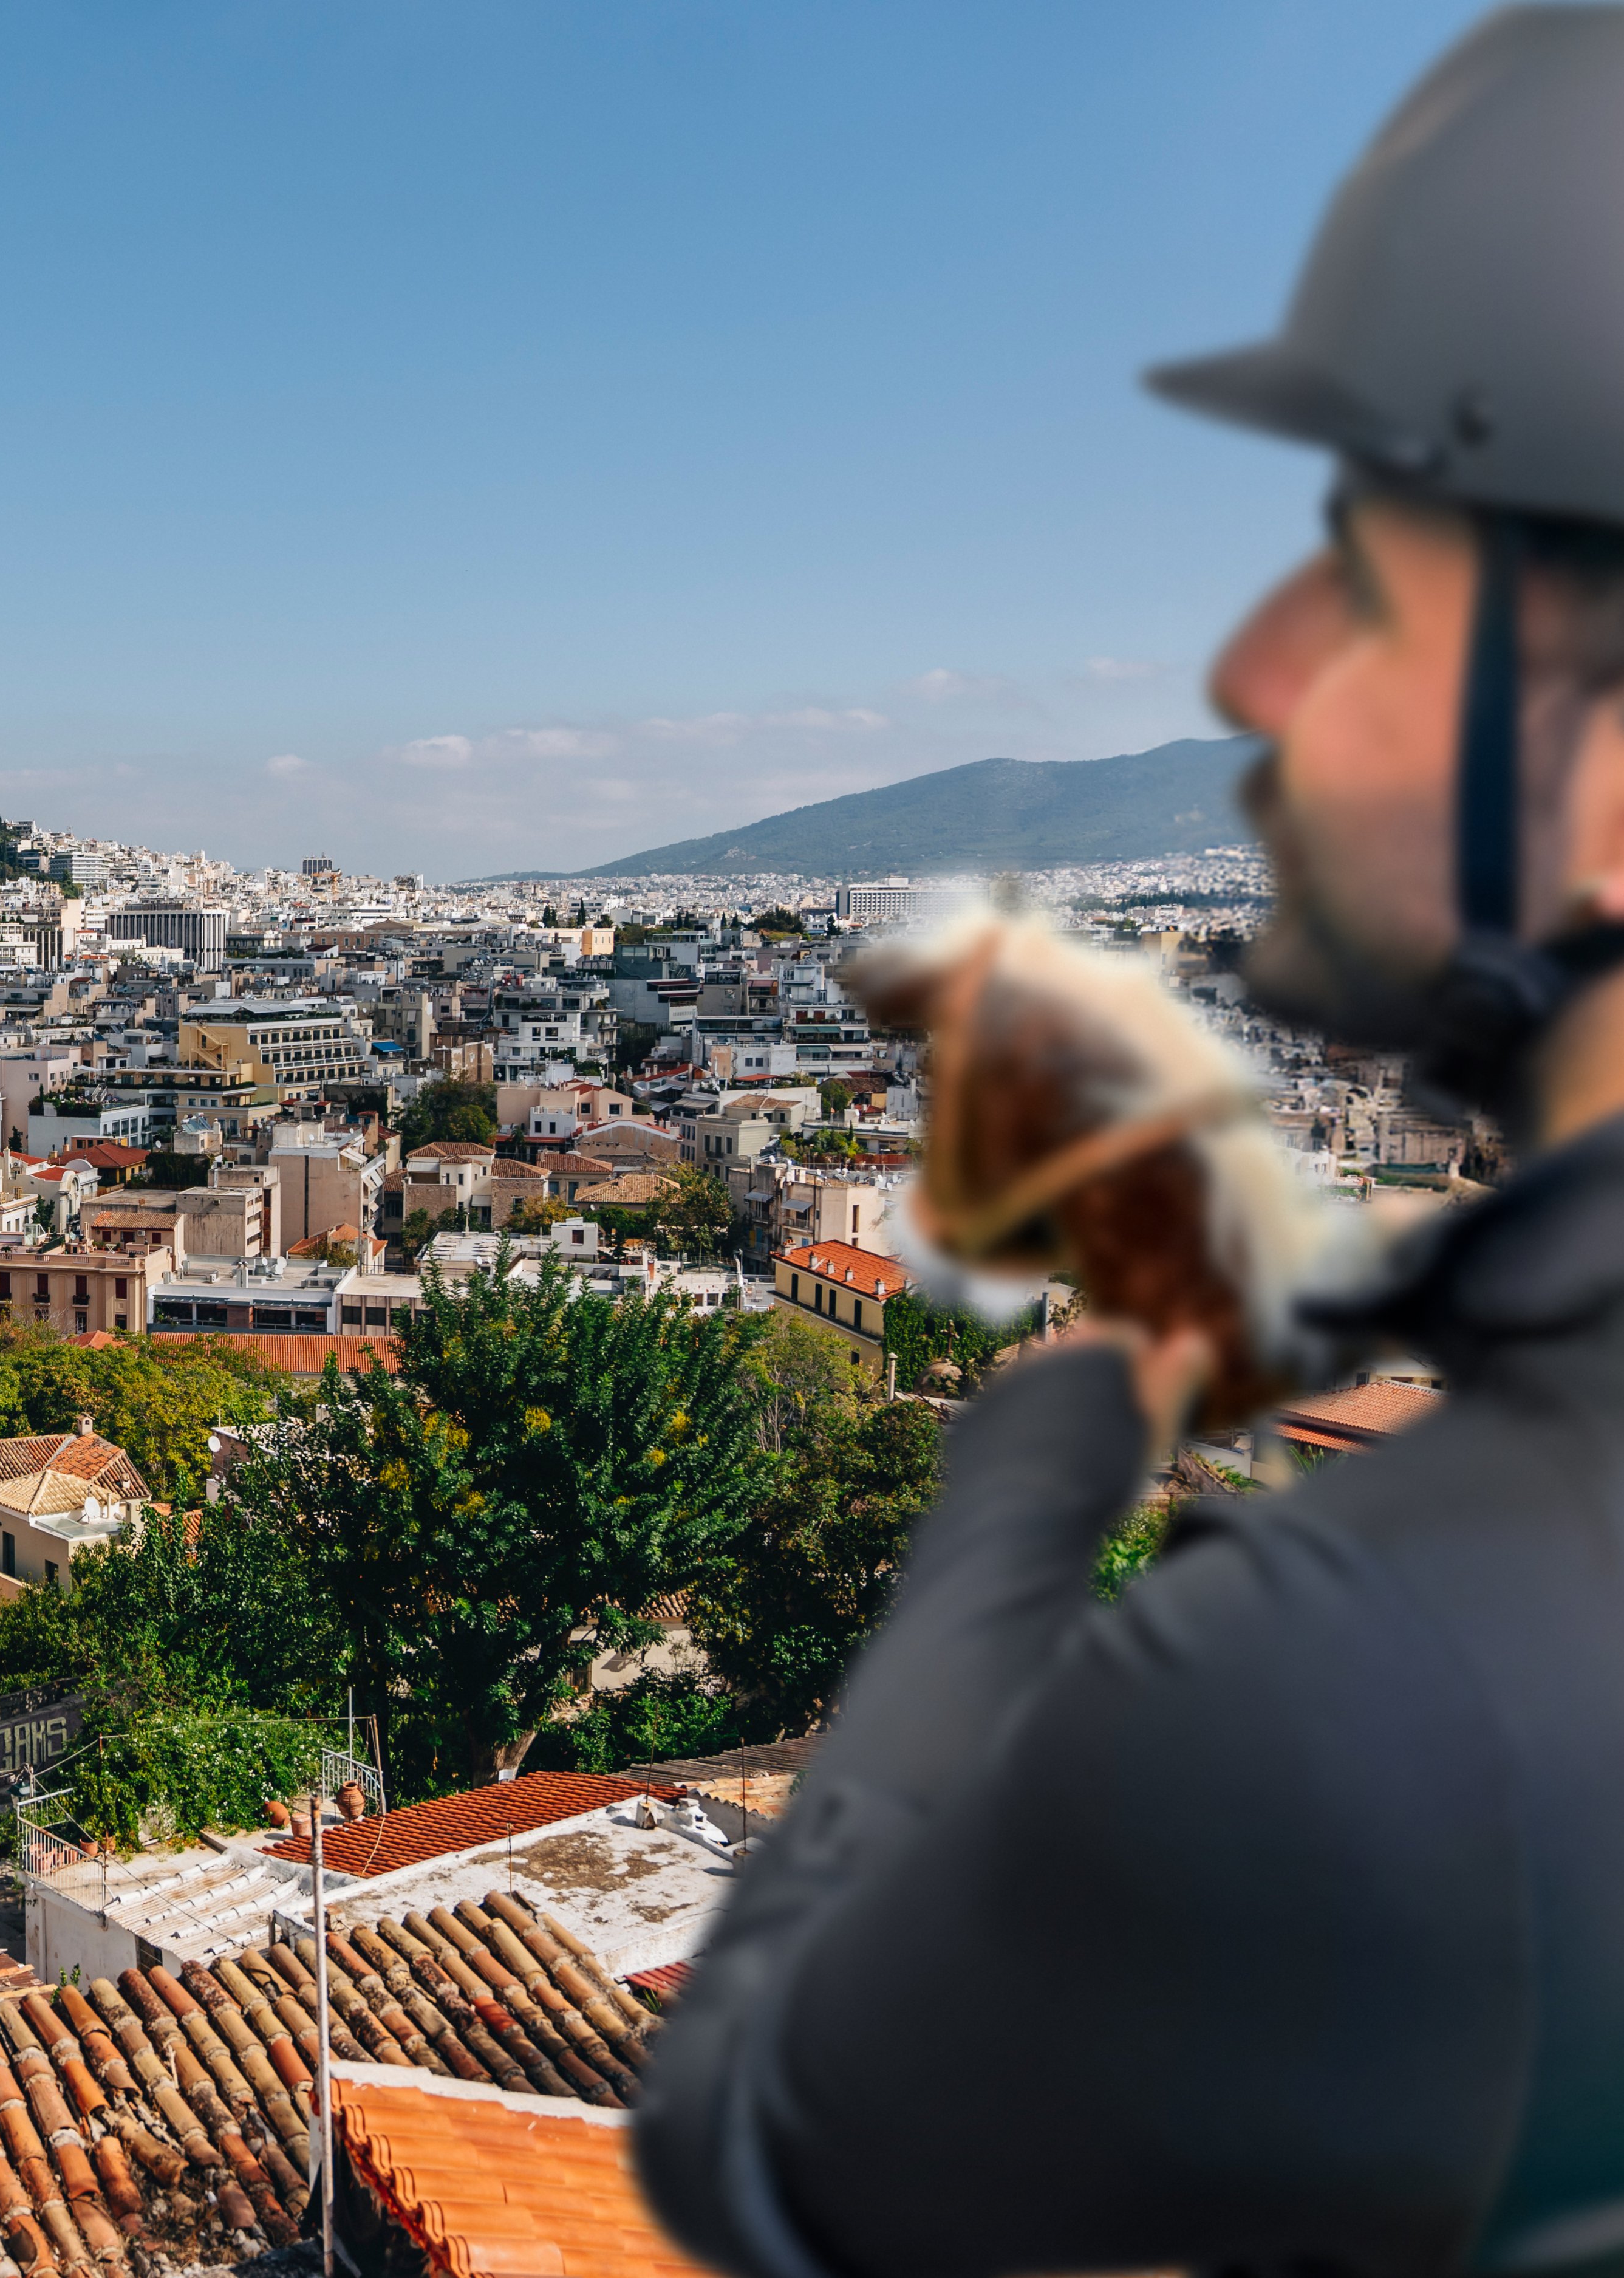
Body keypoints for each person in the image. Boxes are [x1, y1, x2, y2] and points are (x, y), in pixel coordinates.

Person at [636, 11, 1624, 2273]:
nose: (1259, 668)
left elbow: (767, 2143)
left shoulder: (1397, 1660)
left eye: (1377, 584)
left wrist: (1021, 1496)